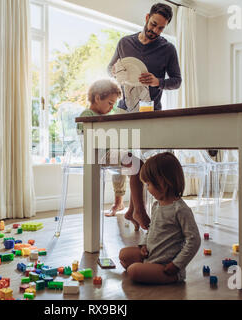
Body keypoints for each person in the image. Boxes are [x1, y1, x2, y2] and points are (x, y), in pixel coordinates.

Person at [106, 3, 182, 229]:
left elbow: (177, 81)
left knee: (148, 162)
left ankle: (137, 209)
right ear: (147, 17)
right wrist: (116, 72)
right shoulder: (124, 43)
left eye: (160, 28)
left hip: (150, 111)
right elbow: (110, 68)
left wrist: (158, 81)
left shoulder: (167, 49)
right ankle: (133, 208)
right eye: (153, 24)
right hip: (124, 109)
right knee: (127, 156)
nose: (155, 31)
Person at [119, 152, 201, 284]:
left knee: (133, 271)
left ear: (163, 183)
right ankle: (145, 268)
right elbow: (151, 229)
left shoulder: (180, 210)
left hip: (166, 266)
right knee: (124, 254)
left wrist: (176, 265)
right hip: (151, 255)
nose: (147, 189)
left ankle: (156, 273)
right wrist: (143, 245)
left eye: (148, 184)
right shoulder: (157, 205)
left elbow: (194, 240)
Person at [77, 79, 146, 231]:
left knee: (139, 166)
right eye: (109, 103)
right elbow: (92, 138)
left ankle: (134, 211)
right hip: (97, 155)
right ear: (97, 98)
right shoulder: (88, 114)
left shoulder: (105, 115)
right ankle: (137, 211)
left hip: (110, 153)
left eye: (113, 104)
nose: (112, 107)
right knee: (136, 163)